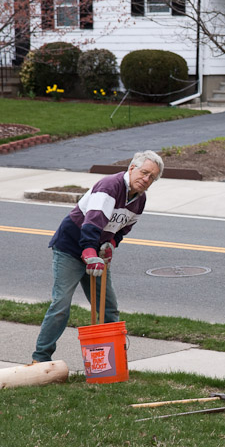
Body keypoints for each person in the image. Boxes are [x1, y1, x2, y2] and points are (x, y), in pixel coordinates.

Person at [32, 150, 164, 363]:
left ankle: (111, 361)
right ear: (132, 168)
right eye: (144, 172)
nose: (146, 179)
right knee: (61, 305)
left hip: (96, 253)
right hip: (71, 247)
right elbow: (92, 221)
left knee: (108, 308)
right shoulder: (109, 186)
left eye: (152, 177)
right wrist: (89, 252)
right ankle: (40, 358)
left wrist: (110, 244)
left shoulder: (140, 200)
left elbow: (123, 229)